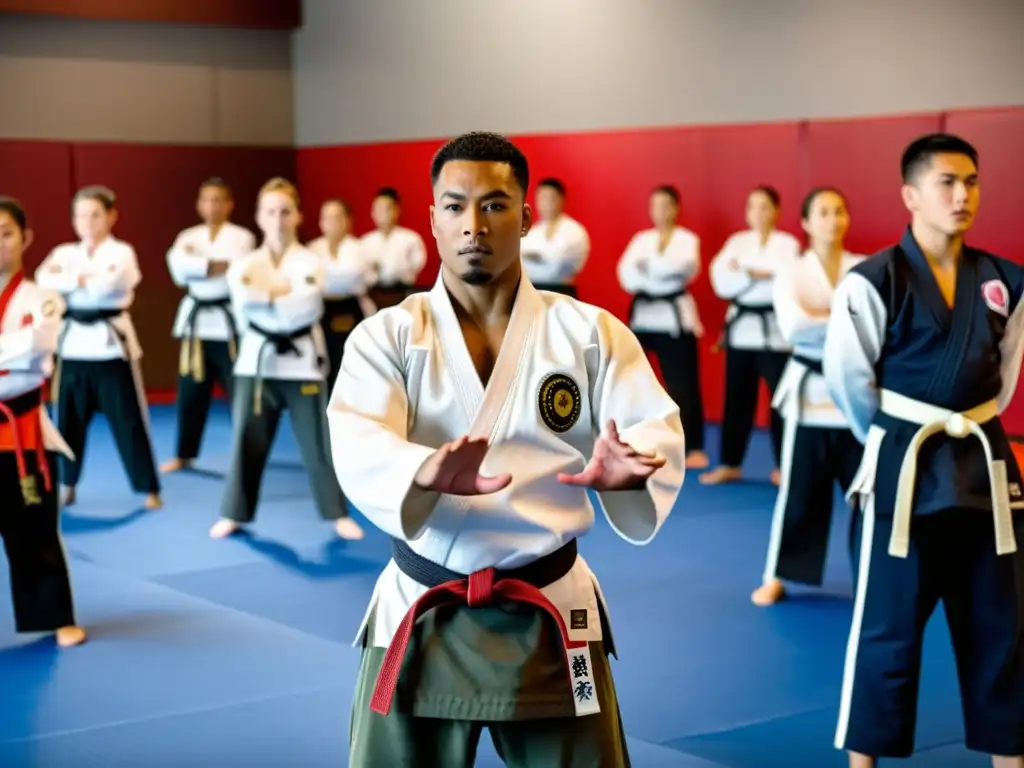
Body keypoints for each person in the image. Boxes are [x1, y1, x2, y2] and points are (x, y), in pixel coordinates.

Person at [328, 131, 686, 767]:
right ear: (432, 218)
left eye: (494, 205)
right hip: (422, 605)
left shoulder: (588, 332)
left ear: (524, 217)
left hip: (551, 609)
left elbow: (653, 425)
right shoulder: (387, 336)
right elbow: (357, 435)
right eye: (456, 206)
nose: (474, 225)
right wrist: (421, 470)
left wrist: (631, 471)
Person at [823, 133, 1024, 767]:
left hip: (985, 471)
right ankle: (864, 761)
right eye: (946, 182)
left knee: (1004, 627)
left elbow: (1005, 376)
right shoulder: (873, 281)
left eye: (972, 181)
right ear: (911, 194)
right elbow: (850, 384)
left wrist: (968, 422)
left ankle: (1010, 758)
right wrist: (895, 435)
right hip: (902, 470)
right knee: (886, 630)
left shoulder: (1006, 282)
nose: (962, 194)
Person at [210, 177, 364, 541]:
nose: (277, 219)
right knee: (245, 440)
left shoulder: (311, 260)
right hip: (256, 364)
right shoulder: (243, 263)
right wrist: (280, 294)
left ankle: (335, 513)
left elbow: (306, 307)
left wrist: (266, 294)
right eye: (270, 211)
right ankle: (234, 512)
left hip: (303, 362)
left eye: (285, 211)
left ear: (297, 216)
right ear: (259, 217)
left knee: (318, 445)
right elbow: (243, 305)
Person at [751, 188, 865, 607]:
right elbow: (795, 328)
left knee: (868, 495)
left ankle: (874, 577)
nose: (832, 220)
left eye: (839, 210)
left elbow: (875, 328)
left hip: (854, 397)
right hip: (808, 400)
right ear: (805, 222)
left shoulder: (864, 269)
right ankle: (777, 574)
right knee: (798, 493)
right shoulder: (792, 272)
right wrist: (845, 320)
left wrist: (826, 318)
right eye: (823, 212)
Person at [35, 185, 162, 509]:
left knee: (129, 422)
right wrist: (82, 278)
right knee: (67, 424)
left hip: (111, 350)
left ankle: (148, 488)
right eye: (80, 215)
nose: (87, 222)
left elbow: (110, 286)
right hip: (73, 348)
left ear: (111, 216)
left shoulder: (122, 252)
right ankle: (68, 484)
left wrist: (72, 280)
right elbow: (42, 279)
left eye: (95, 214)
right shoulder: (64, 253)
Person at [0, 197, 86, 648]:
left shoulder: (44, 297)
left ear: (26, 238)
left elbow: (40, 345)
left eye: (6, 233)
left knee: (33, 527)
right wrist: (15, 346)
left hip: (22, 431)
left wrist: (24, 343)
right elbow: (23, 348)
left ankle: (54, 614)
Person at [700, 186, 799, 487]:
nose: (759, 213)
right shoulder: (736, 242)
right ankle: (730, 463)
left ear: (777, 211)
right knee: (737, 400)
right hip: (742, 333)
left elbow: (787, 279)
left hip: (776, 333)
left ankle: (785, 466)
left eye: (765, 207)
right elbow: (721, 282)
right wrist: (755, 275)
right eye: (753, 207)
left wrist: (744, 272)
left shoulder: (788, 244)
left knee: (780, 403)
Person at [162, 178, 256, 474]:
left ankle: (247, 453)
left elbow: (238, 270)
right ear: (199, 204)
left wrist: (199, 265)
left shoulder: (242, 237)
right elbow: (179, 272)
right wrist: (214, 266)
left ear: (230, 204)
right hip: (197, 328)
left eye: (218, 199)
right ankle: (184, 454)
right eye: (206, 199)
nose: (212, 205)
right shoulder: (186, 236)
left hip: (229, 327)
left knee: (239, 393)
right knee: (190, 393)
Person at [617, 184, 707, 469]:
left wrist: (648, 269)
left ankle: (692, 446)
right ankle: (635, 440)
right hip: (643, 317)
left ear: (677, 208)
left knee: (683, 386)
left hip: (674, 320)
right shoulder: (641, 239)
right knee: (633, 382)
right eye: (655, 205)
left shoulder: (687, 239)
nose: (661, 211)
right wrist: (653, 271)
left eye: (667, 205)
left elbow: (682, 268)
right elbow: (626, 274)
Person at [306, 198, 376, 391]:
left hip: (350, 307)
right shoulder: (312, 248)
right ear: (320, 222)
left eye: (337, 217)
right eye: (326, 217)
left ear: (347, 220)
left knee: (351, 361)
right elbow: (309, 281)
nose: (331, 222)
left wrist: (322, 276)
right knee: (324, 361)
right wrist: (326, 278)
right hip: (322, 310)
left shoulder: (359, 248)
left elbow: (352, 276)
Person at [519, 177, 590, 297]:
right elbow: (520, 263)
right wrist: (542, 259)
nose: (545, 203)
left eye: (550, 198)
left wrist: (534, 258)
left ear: (561, 199)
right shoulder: (532, 233)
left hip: (562, 291)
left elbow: (557, 266)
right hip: (533, 291)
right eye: (541, 198)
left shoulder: (574, 231)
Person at [360, 187, 427, 309]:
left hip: (401, 293)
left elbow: (417, 265)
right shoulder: (365, 242)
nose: (382, 214)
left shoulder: (411, 239)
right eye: (378, 209)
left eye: (387, 209)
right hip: (373, 294)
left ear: (397, 210)